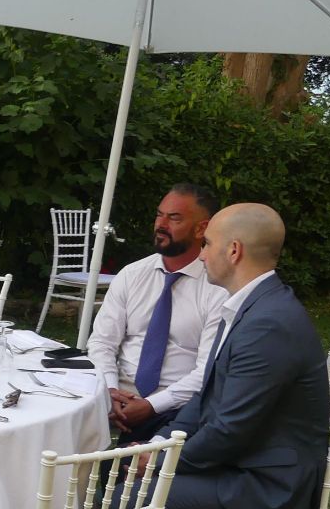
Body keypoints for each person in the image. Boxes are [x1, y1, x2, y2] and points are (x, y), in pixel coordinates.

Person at [98, 203, 330, 509]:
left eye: (207, 244)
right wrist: (158, 444)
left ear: (234, 250)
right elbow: (205, 398)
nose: (201, 254)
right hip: (247, 461)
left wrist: (159, 463)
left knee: (126, 501)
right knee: (110, 471)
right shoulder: (251, 305)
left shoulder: (267, 323)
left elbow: (230, 432)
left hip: (266, 485)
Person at [86, 183, 229, 443]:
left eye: (174, 218)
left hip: (176, 406)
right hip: (116, 393)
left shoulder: (217, 289)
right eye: (159, 215)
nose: (161, 224)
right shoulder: (132, 275)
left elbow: (208, 371)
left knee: (131, 461)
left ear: (202, 229)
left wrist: (152, 405)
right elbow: (102, 343)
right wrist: (110, 390)